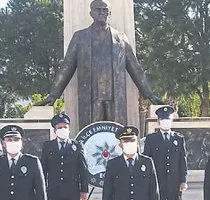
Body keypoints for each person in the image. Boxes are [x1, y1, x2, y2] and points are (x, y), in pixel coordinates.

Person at [36, 0, 163, 129]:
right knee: (91, 133)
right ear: (91, 13)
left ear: (110, 13)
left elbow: (135, 68)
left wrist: (149, 94)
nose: (102, 13)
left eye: (105, 10)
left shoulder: (121, 38)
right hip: (91, 95)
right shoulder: (80, 37)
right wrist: (54, 95)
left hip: (115, 95)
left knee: (117, 133)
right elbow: (67, 66)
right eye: (98, 9)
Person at [144, 105, 188, 200]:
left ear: (172, 120)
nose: (165, 122)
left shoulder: (178, 138)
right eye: (162, 119)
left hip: (175, 185)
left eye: (168, 119)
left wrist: (183, 180)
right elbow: (147, 162)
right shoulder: (151, 139)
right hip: (157, 185)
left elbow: (183, 161)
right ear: (158, 121)